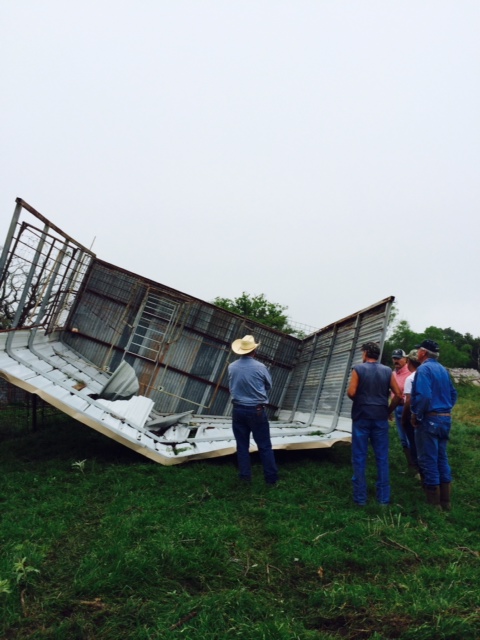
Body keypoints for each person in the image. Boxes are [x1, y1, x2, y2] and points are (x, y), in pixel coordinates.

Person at [347, 341, 402, 506]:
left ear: (365, 354)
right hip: (380, 417)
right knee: (382, 457)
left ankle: (360, 498)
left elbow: (351, 392)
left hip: (362, 416)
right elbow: (398, 395)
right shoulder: (387, 371)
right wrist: (388, 411)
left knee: (359, 457)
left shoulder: (358, 369)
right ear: (377, 355)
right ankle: (383, 499)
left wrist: (362, 402)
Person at [411, 339, 457, 510]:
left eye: (418, 351)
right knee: (442, 458)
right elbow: (453, 393)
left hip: (429, 419)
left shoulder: (423, 369)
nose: (417, 354)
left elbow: (423, 396)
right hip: (445, 418)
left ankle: (434, 504)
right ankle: (446, 501)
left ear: (423, 353)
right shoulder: (443, 370)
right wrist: (445, 409)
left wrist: (416, 414)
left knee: (428, 459)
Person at [228, 335, 278, 485]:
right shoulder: (260, 367)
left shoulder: (232, 366)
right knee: (264, 446)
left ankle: (245, 477)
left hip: (238, 409)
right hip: (256, 410)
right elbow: (268, 385)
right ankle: (271, 479)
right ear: (254, 350)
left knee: (242, 445)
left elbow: (232, 385)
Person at [390, 348, 414, 470]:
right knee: (402, 439)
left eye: (399, 358)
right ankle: (411, 465)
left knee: (410, 438)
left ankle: (417, 467)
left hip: (407, 408)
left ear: (406, 359)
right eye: (394, 358)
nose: (396, 360)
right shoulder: (393, 374)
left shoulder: (410, 374)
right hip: (397, 408)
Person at [401, 349, 422, 478]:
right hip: (426, 414)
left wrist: (404, 418)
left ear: (409, 362)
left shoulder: (410, 378)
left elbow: (408, 401)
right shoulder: (426, 375)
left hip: (412, 415)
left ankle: (419, 471)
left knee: (414, 444)